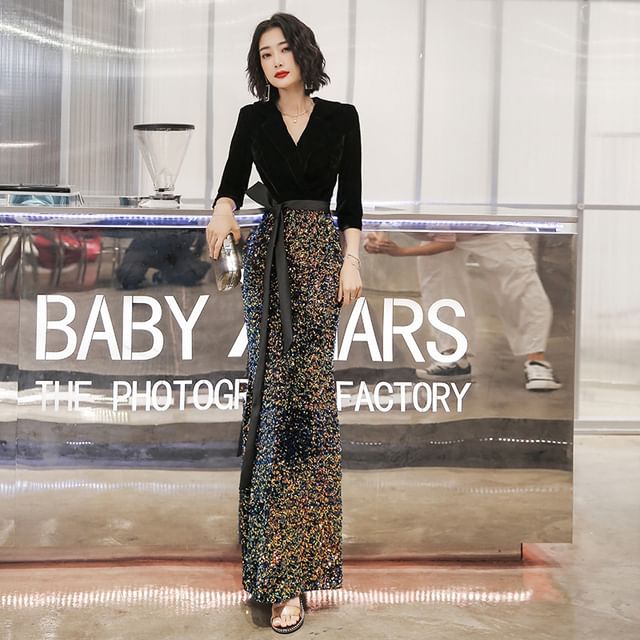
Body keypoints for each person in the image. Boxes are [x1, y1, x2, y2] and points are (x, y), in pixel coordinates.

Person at [206, 12, 363, 634]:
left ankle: (300, 565)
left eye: (283, 50)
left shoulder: (342, 118)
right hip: (269, 268)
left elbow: (350, 205)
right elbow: (229, 185)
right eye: (265, 53)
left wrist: (352, 261)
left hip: (320, 264)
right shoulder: (253, 120)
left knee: (309, 410)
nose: (275, 61)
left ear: (302, 54)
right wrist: (221, 213)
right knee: (272, 408)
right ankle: (275, 575)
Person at [364, 231, 562, 391]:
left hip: (491, 227)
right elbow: (380, 212)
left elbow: (446, 242)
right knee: (439, 284)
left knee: (519, 284)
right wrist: (375, 237)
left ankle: (537, 360)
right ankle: (453, 356)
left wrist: (400, 251)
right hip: (441, 229)